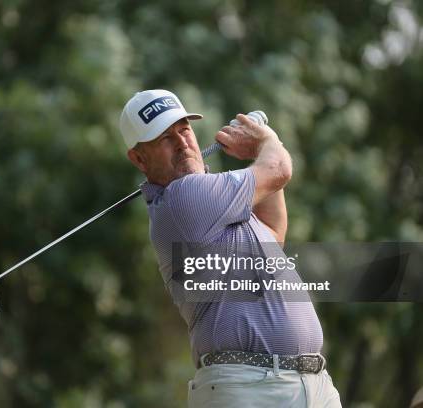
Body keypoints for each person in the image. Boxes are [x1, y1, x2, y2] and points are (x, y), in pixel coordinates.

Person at [120, 89, 342, 407]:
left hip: (310, 386)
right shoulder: (183, 197)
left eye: (184, 130)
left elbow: (273, 233)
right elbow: (279, 170)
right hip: (249, 387)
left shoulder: (214, 198)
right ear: (139, 158)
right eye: (164, 139)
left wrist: (257, 152)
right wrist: (265, 140)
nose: (183, 144)